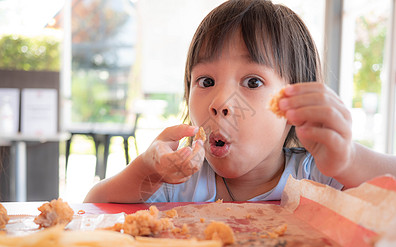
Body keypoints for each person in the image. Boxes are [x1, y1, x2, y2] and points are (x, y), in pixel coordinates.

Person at [84, 0, 396, 203]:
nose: (221, 102)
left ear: (294, 103)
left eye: (252, 82)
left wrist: (348, 160)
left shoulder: (318, 175)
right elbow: (92, 206)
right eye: (206, 82)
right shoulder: (178, 183)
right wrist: (146, 171)